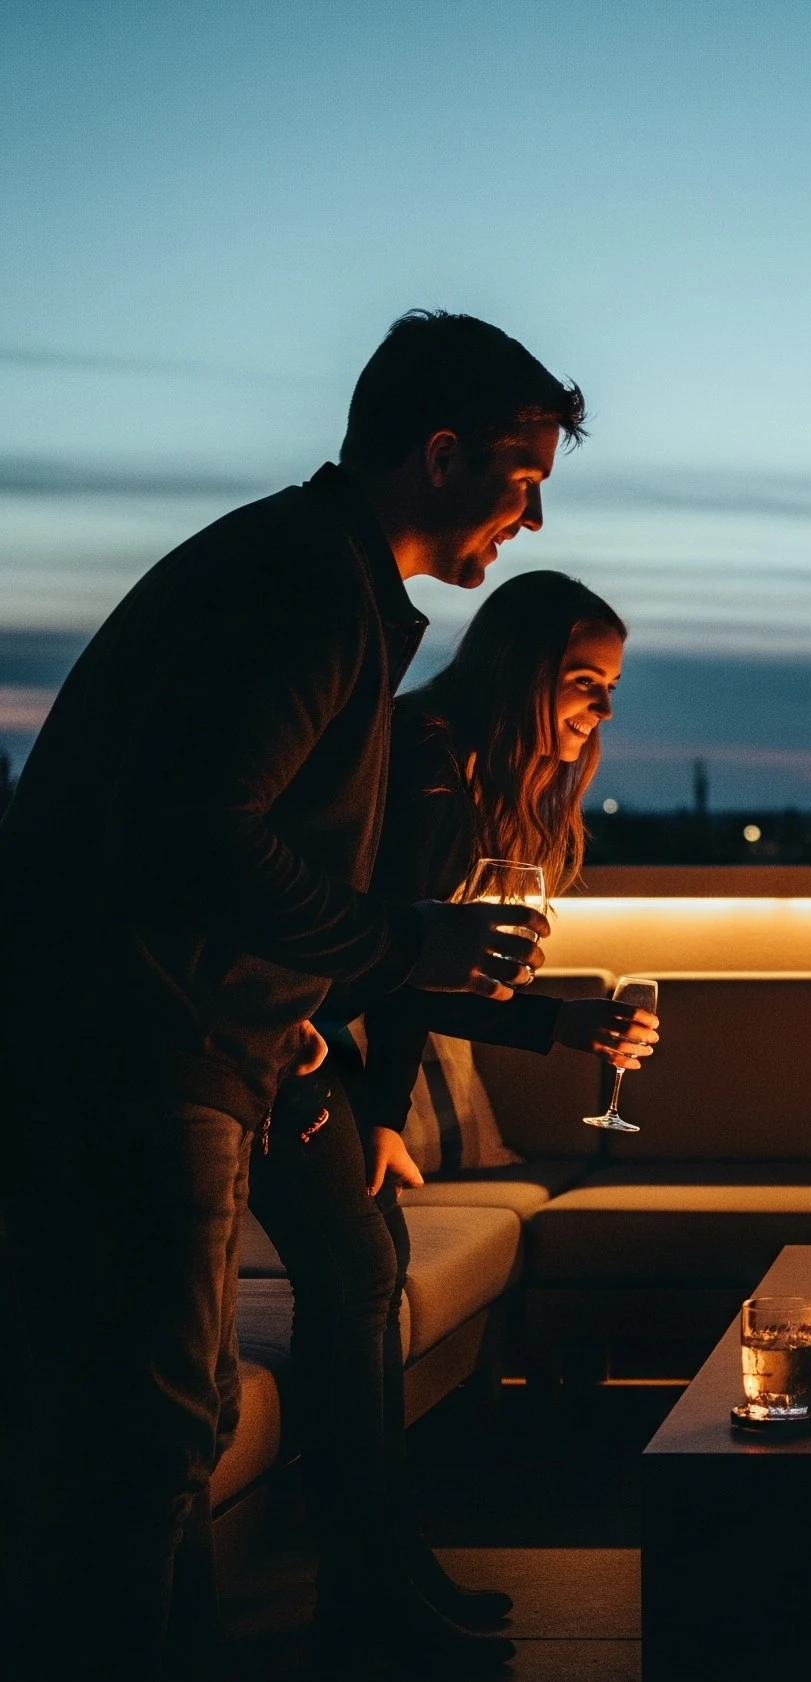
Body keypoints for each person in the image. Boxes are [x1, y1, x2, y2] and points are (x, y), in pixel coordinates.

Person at [0, 309, 580, 1680]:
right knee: (143, 1443)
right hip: (137, 1057)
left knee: (171, 1430)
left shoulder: (312, 572)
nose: (535, 518)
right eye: (523, 479)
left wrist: (300, 1002)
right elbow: (193, 833)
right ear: (441, 454)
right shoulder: (306, 590)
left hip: (186, 1043)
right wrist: (399, 939)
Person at [249, 572, 659, 1674]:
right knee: (356, 1281)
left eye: (612, 686)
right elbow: (391, 963)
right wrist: (557, 1023)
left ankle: (389, 1570)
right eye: (585, 680)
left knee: (368, 1274)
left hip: (328, 1051)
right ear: (523, 669)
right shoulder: (425, 763)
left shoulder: (464, 765)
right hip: (280, 1042)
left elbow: (406, 965)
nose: (603, 708)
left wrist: (388, 1116)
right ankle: (370, 1588)